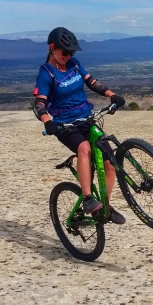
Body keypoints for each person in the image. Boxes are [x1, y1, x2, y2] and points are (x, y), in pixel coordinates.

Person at [33, 27, 127, 224]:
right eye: (64, 52)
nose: (68, 56)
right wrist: (47, 121)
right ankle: (87, 199)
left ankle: (105, 208)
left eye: (71, 52)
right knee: (84, 148)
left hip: (86, 119)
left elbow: (91, 82)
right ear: (52, 48)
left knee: (110, 163)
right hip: (64, 125)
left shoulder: (74, 64)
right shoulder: (46, 73)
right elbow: (39, 103)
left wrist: (111, 95)